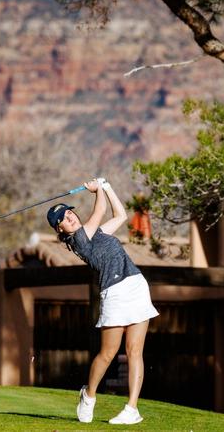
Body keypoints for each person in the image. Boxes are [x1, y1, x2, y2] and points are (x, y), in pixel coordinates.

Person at [46, 178, 159, 425]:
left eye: (69, 213)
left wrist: (107, 188)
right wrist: (97, 191)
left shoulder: (95, 234)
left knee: (134, 351)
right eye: (64, 219)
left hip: (136, 285)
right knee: (107, 353)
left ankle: (132, 408)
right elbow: (100, 210)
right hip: (115, 293)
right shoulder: (79, 241)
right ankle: (89, 395)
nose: (70, 217)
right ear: (60, 230)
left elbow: (120, 215)